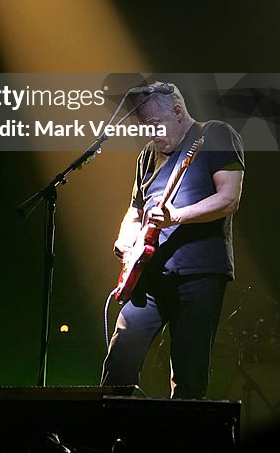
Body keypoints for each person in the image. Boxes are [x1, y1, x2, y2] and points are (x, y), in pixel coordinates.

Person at [101, 83, 244, 398]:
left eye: (155, 124)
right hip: (148, 273)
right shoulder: (146, 157)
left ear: (178, 111)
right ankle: (110, 434)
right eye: (145, 127)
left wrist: (176, 216)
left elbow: (229, 198)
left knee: (188, 371)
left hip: (199, 271)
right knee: (121, 356)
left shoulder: (215, 134)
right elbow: (135, 210)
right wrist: (125, 240)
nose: (151, 133)